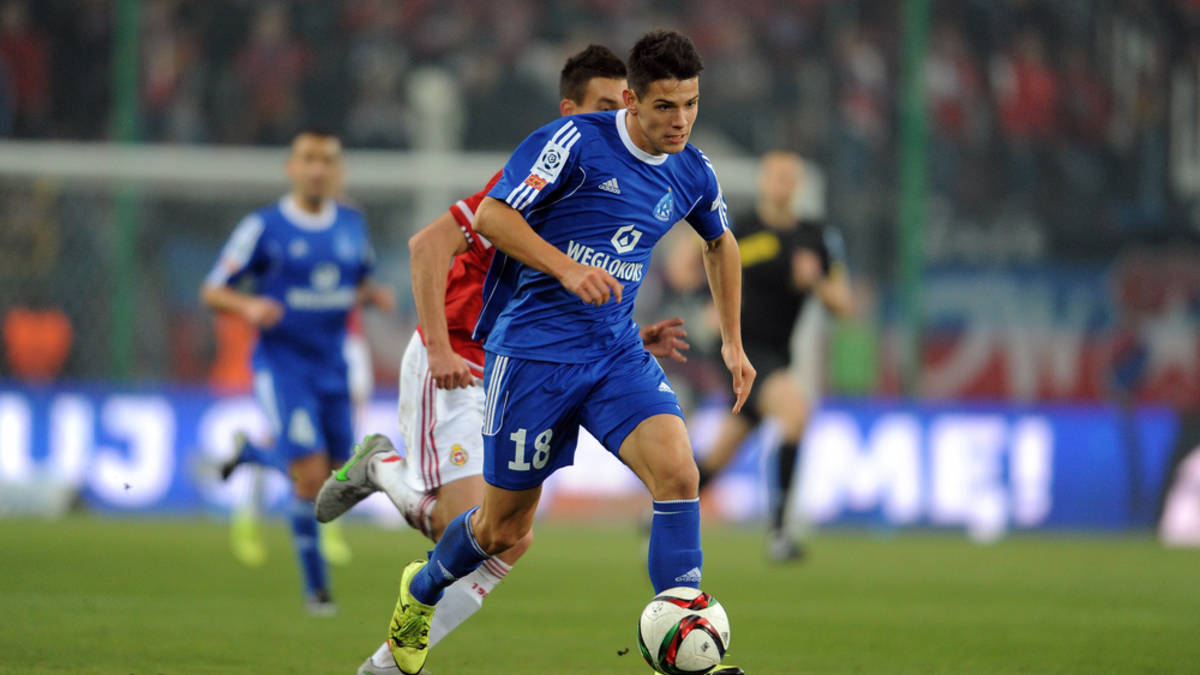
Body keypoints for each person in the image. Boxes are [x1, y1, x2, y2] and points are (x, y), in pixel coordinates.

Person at [311, 45, 690, 675]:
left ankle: (386, 664)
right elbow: (427, 246)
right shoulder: (528, 179)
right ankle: (380, 467)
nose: (618, 120)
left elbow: (570, 289)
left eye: (623, 106)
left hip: (526, 368)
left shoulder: (614, 187)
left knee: (507, 537)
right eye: (602, 106)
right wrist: (437, 347)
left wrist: (625, 336)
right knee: (460, 527)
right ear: (569, 111)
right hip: (457, 361)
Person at [384, 30, 752, 675]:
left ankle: (689, 646)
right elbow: (494, 217)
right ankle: (422, 589)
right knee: (500, 529)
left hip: (614, 355)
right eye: (666, 106)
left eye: (691, 104)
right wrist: (565, 268)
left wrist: (732, 340)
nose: (682, 120)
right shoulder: (573, 143)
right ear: (632, 100)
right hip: (532, 357)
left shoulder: (693, 170)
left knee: (679, 475)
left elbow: (720, 244)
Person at [200, 128, 394, 615]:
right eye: (308, 159)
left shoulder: (351, 224)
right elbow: (213, 289)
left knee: (335, 476)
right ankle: (317, 592)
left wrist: (373, 295)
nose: (317, 169)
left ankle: (253, 455)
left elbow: (355, 281)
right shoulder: (264, 227)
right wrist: (247, 306)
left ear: (339, 170)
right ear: (292, 167)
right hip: (284, 366)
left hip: (334, 364)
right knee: (308, 478)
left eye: (327, 160)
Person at [695, 151, 852, 562]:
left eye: (789, 177)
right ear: (763, 181)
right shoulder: (739, 228)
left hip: (778, 356)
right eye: (775, 175)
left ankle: (663, 509)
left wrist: (815, 281)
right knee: (796, 413)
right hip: (738, 351)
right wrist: (706, 306)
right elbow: (698, 267)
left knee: (721, 454)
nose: (781, 183)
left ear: (797, 185)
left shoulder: (817, 237)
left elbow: (843, 303)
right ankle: (781, 534)